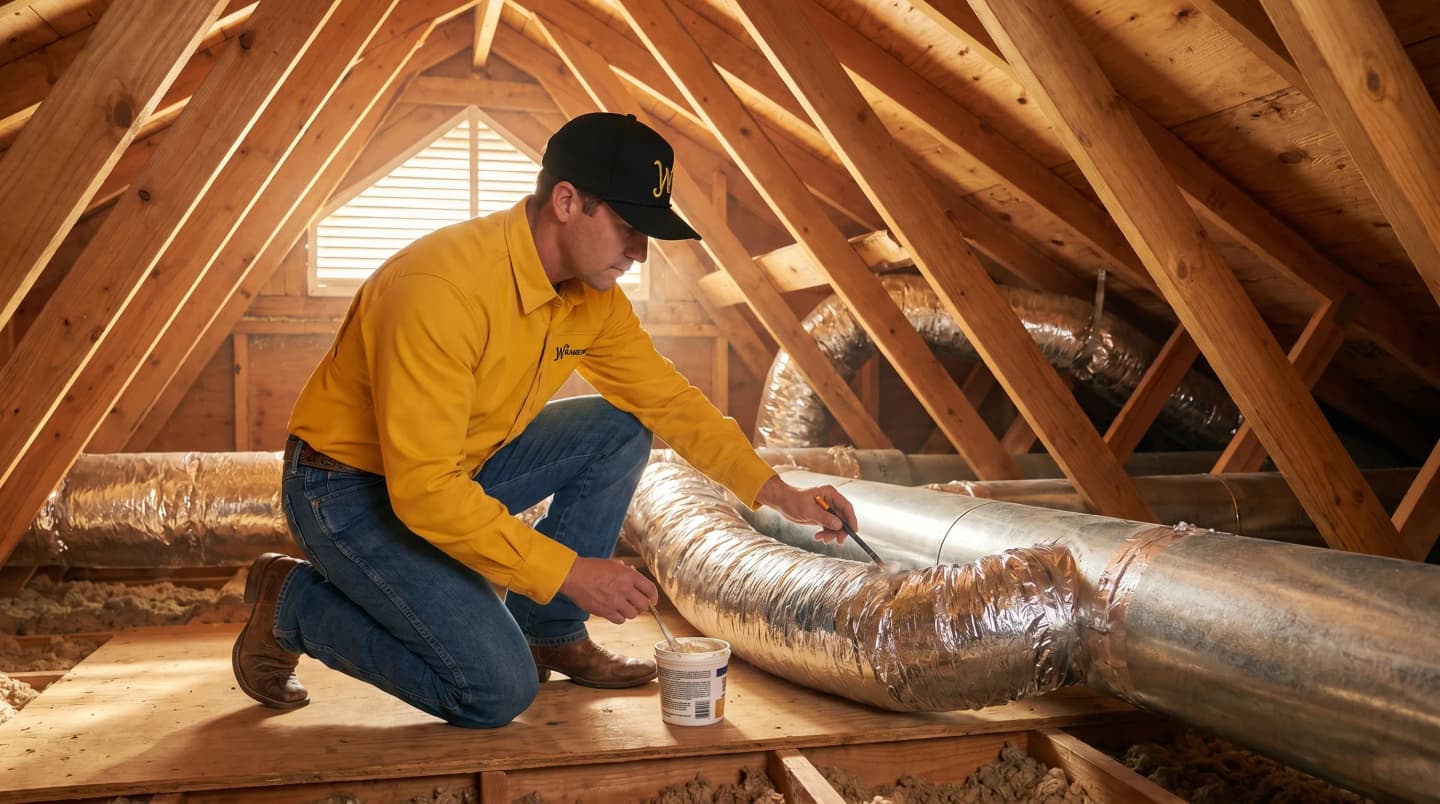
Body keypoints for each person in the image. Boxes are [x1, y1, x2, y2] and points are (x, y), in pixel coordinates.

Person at [231, 112, 859, 727]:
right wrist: (570, 572)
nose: (640, 253)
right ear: (567, 201)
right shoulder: (439, 290)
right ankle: (292, 604)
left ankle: (551, 634)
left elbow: (666, 399)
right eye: (628, 226)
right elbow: (422, 492)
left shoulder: (593, 299)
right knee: (495, 691)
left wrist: (777, 492)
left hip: (453, 473)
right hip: (345, 491)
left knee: (617, 426)